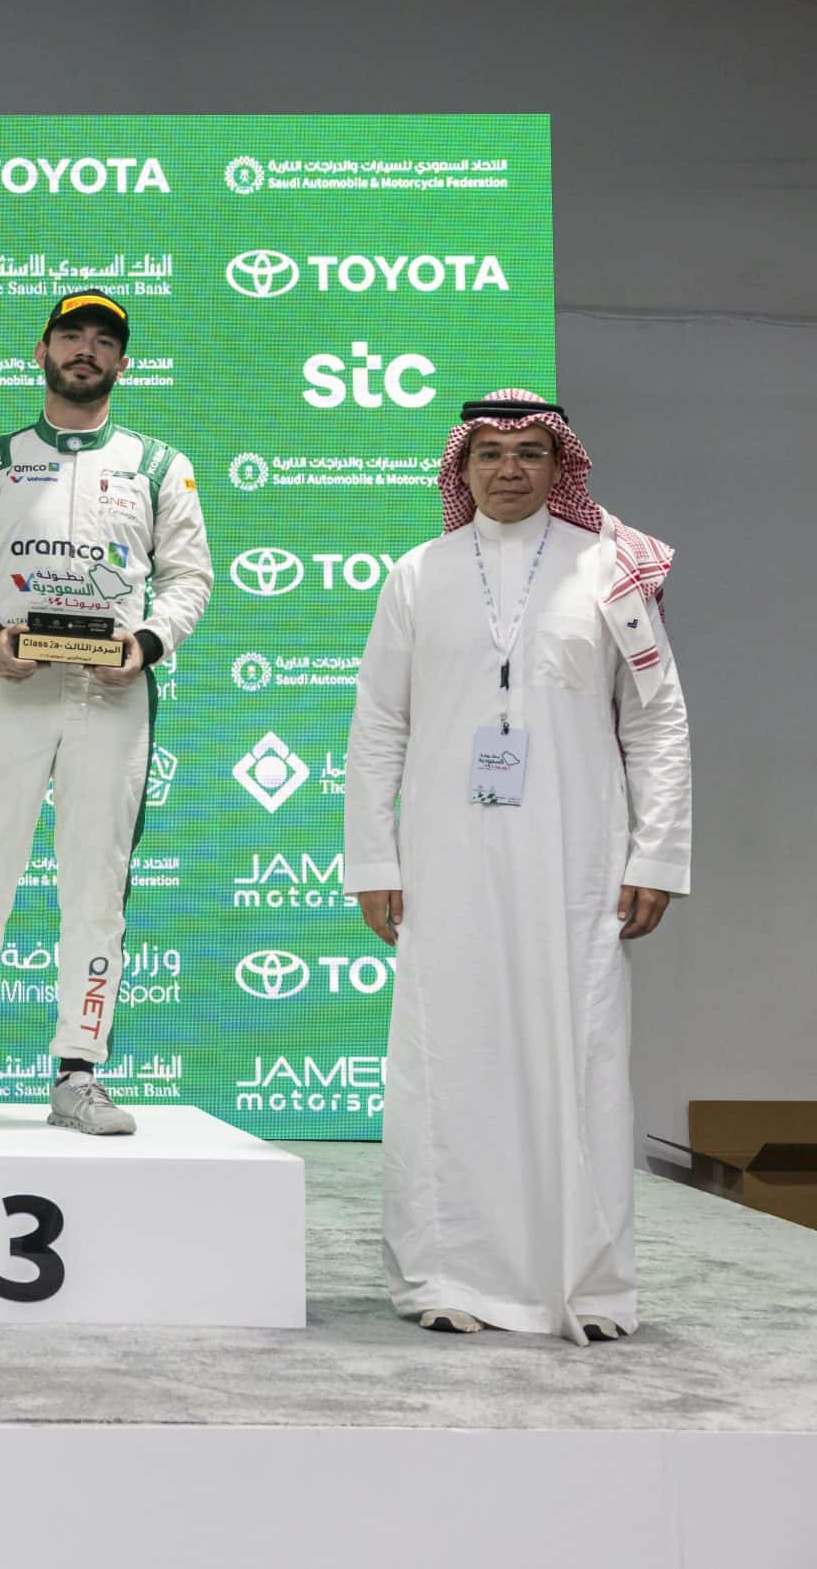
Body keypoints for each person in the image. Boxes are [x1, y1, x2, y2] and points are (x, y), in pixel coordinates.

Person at [345, 390, 689, 1343]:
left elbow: (656, 721)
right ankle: (446, 1273)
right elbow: (379, 725)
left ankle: (587, 1283)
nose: (508, 469)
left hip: (577, 861)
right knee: (447, 1057)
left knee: (581, 1053)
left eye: (530, 453)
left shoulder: (611, 570)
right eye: (489, 454)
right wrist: (374, 859)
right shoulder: (418, 575)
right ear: (462, 469)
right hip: (444, 859)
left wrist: (657, 852)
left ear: (559, 465)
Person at [0, 292, 211, 1135]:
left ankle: (80, 1070)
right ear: (42, 349)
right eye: (71, 334)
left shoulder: (158, 465)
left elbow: (189, 578)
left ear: (123, 363)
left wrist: (148, 642)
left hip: (112, 695)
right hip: (11, 688)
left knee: (96, 886)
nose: (85, 349)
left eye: (103, 340)